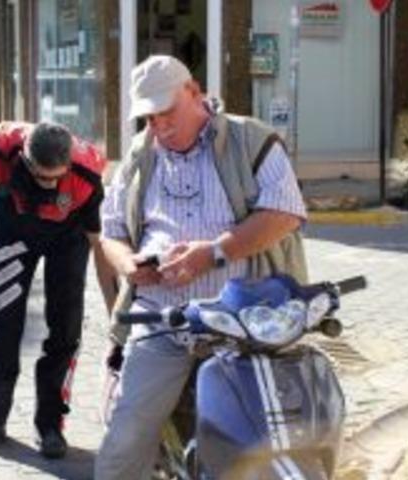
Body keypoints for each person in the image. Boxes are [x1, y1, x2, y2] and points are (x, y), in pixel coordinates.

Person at [94, 55, 308, 479]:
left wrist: (212, 254)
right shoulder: (139, 154)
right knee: (126, 436)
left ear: (194, 92)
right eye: (149, 117)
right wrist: (129, 265)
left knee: (273, 432)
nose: (160, 126)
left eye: (167, 111)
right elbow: (110, 233)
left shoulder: (251, 140)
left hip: (243, 318)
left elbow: (284, 213)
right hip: (162, 318)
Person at [0, 121, 118, 459]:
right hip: (14, 229)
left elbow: (99, 246)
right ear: (24, 159)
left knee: (66, 329)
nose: (49, 184)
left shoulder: (87, 173)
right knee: (3, 325)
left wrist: (115, 311)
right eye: (41, 177)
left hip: (68, 238)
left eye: (56, 178)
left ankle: (50, 424)